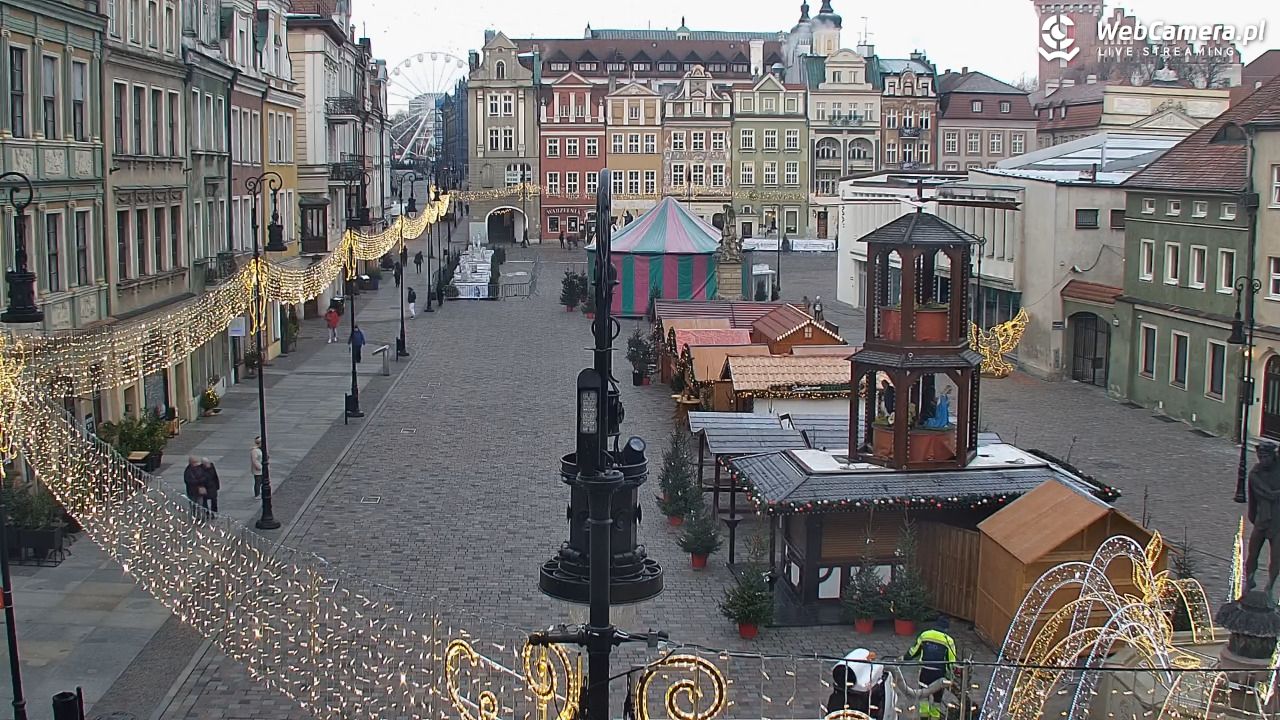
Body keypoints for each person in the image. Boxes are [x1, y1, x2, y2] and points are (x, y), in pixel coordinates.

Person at [905, 616, 958, 720]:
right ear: (946, 629)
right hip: (939, 674)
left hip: (925, 672)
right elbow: (952, 662)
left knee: (923, 697)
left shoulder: (925, 635)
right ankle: (935, 717)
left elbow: (914, 651)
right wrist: (952, 676)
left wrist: (905, 657)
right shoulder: (949, 640)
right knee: (937, 700)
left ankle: (923, 717)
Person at [1246, 441, 1280, 595]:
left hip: (1278, 522)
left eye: (1266, 456)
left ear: (1274, 456)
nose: (1263, 460)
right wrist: (1253, 517)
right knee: (1252, 553)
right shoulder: (1255, 475)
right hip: (1262, 520)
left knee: (1276, 557)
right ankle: (1249, 580)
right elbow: (1255, 499)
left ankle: (1270, 587)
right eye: (1260, 457)